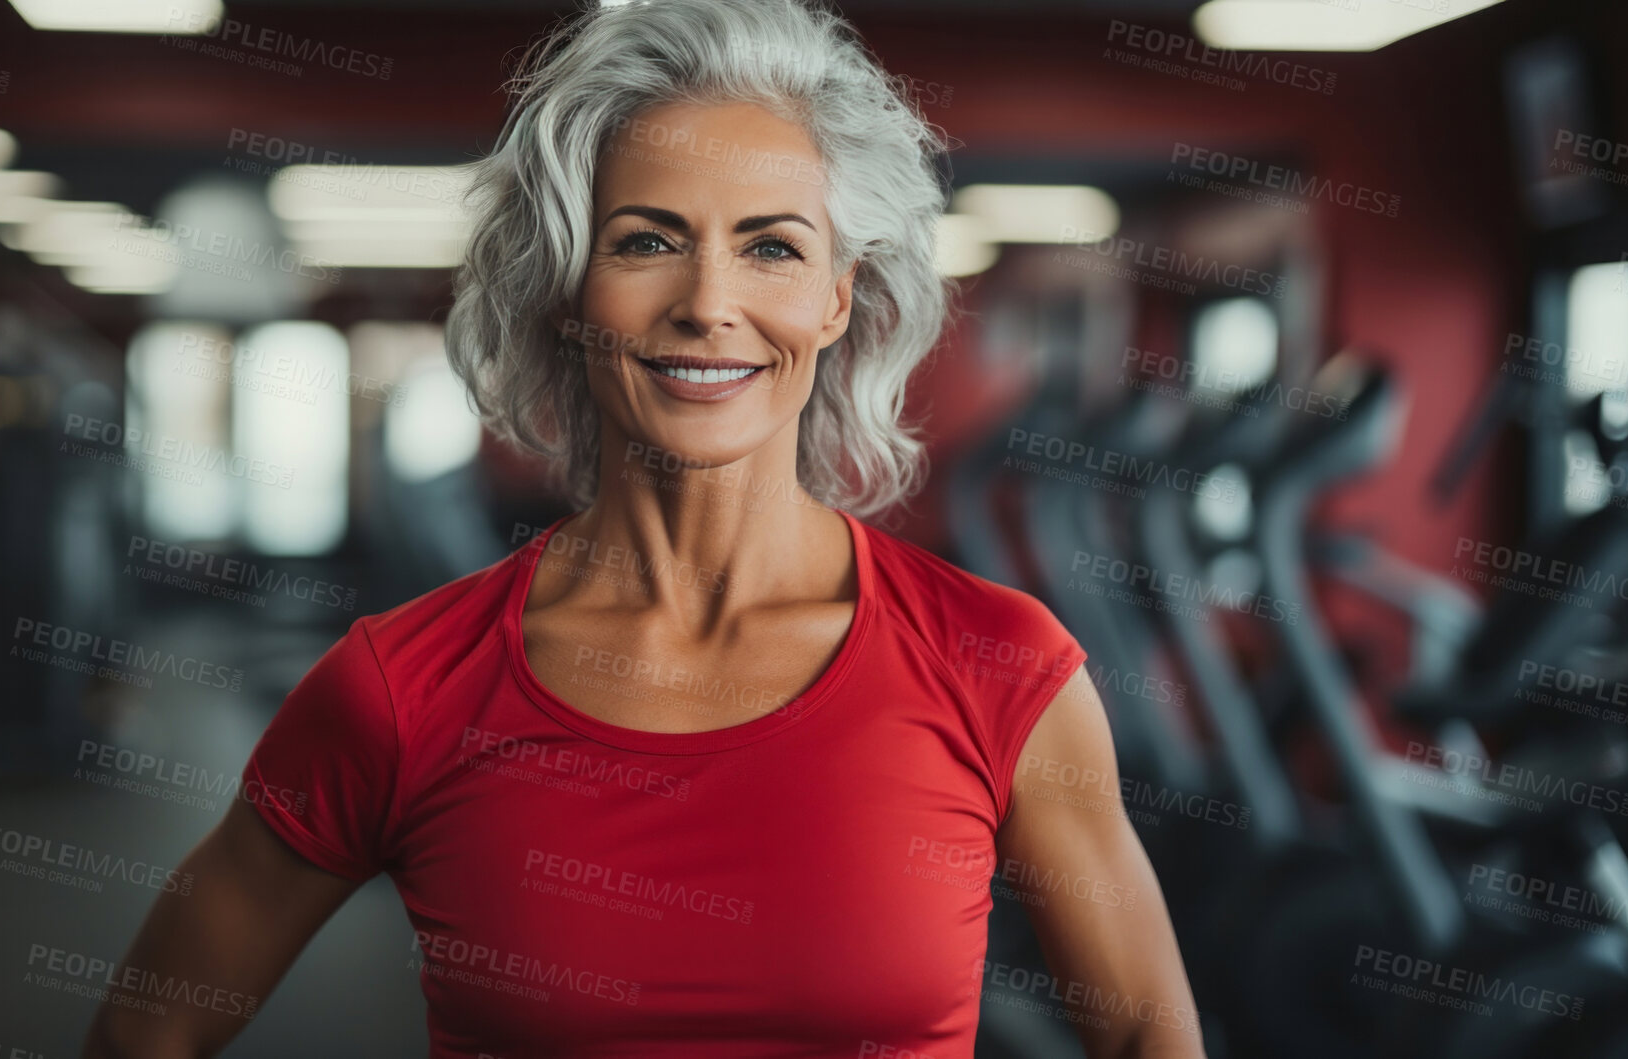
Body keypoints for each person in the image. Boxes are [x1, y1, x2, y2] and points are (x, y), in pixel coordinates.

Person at [83, 1, 1202, 1055]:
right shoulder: (399, 688)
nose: (708, 301)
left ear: (835, 296)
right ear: (569, 290)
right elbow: (146, 1030)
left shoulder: (1000, 666)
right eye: (644, 241)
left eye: (770, 247)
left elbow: (1149, 1034)